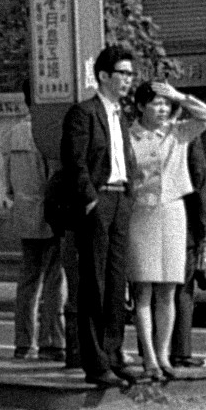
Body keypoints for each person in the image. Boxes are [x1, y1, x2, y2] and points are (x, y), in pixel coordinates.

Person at [59, 45, 146, 388]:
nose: (127, 80)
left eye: (130, 74)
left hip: (121, 199)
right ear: (104, 76)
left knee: (115, 282)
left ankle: (113, 354)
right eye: (122, 74)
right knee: (93, 282)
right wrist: (90, 200)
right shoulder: (83, 113)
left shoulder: (119, 115)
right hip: (98, 202)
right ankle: (94, 362)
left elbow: (125, 158)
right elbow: (75, 163)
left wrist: (130, 192)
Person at [125, 79, 206, 382]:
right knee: (143, 290)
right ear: (140, 106)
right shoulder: (128, 137)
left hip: (174, 211)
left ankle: (164, 354)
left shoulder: (178, 134)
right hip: (141, 211)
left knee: (168, 290)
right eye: (155, 102)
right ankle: (148, 356)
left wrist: (179, 95)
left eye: (166, 104)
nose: (162, 108)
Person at [5, 112, 64, 362]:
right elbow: (55, 180)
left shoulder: (11, 134)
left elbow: (8, 184)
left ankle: (23, 342)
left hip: (24, 211)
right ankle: (51, 342)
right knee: (54, 279)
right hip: (50, 213)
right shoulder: (48, 133)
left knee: (28, 280)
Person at [170, 131, 206, 370]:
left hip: (150, 221)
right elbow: (199, 180)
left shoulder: (138, 132)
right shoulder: (186, 137)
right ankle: (181, 352)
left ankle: (154, 352)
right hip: (185, 225)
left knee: (152, 293)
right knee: (183, 292)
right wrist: (203, 227)